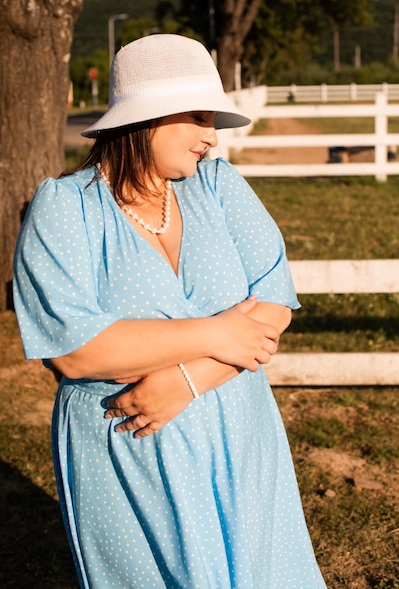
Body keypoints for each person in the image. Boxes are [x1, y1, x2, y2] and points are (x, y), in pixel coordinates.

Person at [13, 34, 326, 589]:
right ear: (147, 117)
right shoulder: (65, 209)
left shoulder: (220, 187)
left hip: (239, 428)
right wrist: (217, 332)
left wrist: (189, 378)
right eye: (200, 117)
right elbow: (77, 350)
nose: (212, 135)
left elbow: (274, 300)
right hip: (128, 439)